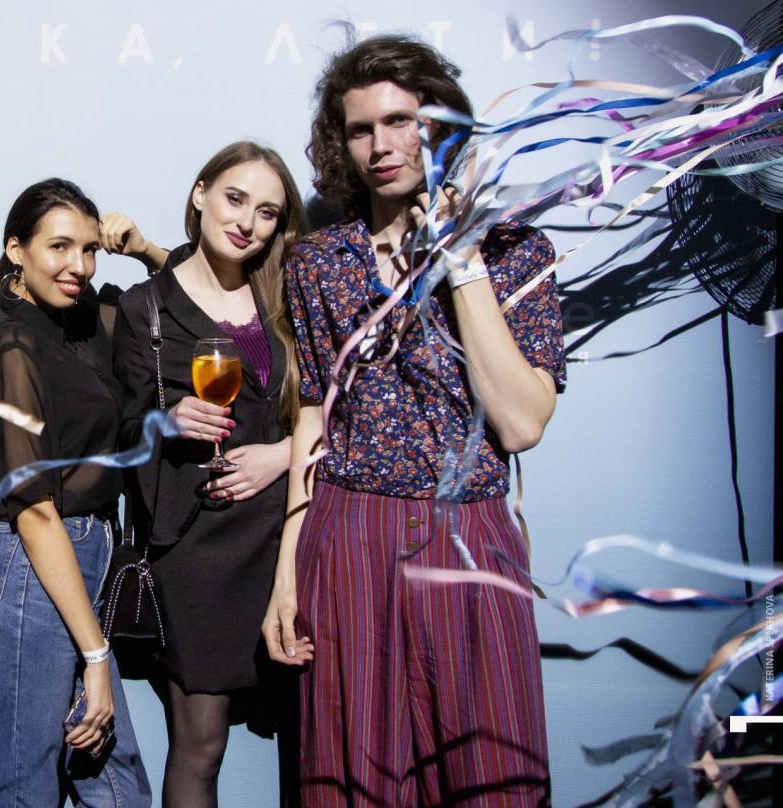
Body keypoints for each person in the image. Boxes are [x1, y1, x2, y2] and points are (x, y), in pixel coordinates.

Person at [264, 36, 565, 805]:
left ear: (439, 126)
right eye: (360, 130)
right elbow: (314, 418)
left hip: (469, 536)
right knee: (353, 777)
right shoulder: (319, 263)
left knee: (494, 776)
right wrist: (287, 571)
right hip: (349, 535)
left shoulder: (517, 253)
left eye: (400, 121)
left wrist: (460, 260)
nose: (381, 146)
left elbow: (520, 425)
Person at [111, 141, 306, 808]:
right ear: (200, 194)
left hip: (292, 539)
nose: (247, 221)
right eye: (234, 198)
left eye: (267, 212)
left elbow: (333, 409)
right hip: (200, 553)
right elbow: (123, 430)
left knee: (312, 737)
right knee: (200, 748)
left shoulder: (287, 297)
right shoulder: (146, 307)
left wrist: (282, 455)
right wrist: (167, 420)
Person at [0, 178, 151, 807]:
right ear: (16, 250)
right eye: (60, 247)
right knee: (29, 788)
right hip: (29, 570)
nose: (79, 266)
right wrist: (95, 655)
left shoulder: (83, 321)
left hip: (77, 567)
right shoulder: (10, 345)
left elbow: (183, 301)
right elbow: (34, 513)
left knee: (120, 789)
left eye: (89, 250)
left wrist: (145, 249)